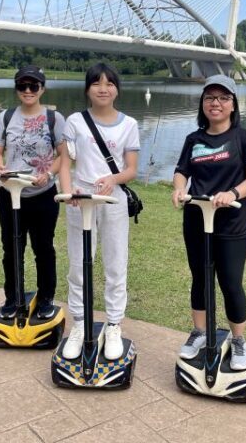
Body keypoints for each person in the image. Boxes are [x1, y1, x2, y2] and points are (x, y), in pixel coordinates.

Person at [171, 75, 246, 370]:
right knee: (200, 278)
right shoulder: (193, 139)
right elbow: (181, 171)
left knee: (230, 282)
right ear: (203, 103)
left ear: (233, 105)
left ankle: (238, 341)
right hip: (197, 218)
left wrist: (232, 193)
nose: (216, 103)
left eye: (223, 98)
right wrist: (178, 188)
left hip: (232, 222)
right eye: (210, 97)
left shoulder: (244, 138)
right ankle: (199, 332)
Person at [58, 63, 140, 361]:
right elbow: (65, 164)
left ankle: (114, 324)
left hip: (113, 203)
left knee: (116, 264)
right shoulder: (75, 122)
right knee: (79, 265)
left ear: (117, 88)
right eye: (96, 83)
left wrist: (113, 179)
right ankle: (79, 324)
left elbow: (130, 169)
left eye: (109, 83)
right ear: (87, 88)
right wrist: (68, 193)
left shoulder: (128, 124)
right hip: (81, 202)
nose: (103, 88)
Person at [0, 66, 66, 321]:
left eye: (34, 86)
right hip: (10, 194)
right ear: (17, 89)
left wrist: (50, 174)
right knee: (11, 248)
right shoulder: (7, 117)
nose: (28, 91)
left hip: (43, 194)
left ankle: (46, 299)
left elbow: (63, 156)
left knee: (43, 248)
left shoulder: (54, 118)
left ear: (42, 88)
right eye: (23, 86)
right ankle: (13, 298)